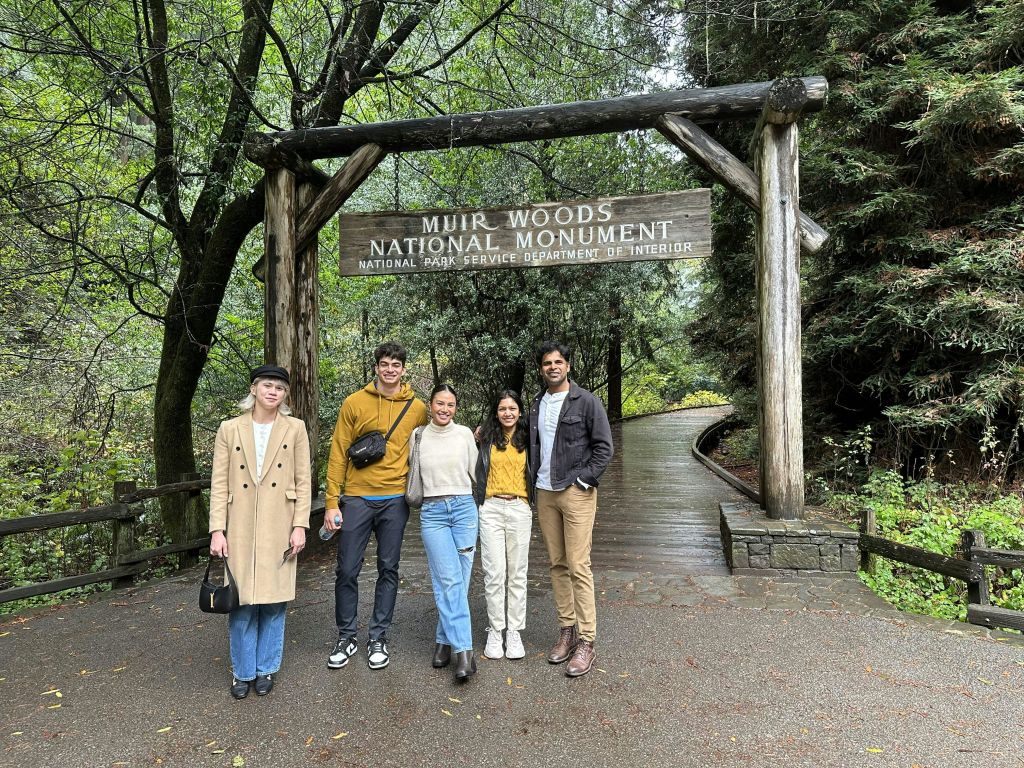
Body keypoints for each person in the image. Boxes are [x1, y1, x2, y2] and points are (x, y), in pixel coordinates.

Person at [322, 342, 428, 670]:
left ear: (404, 369)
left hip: (395, 499)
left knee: (388, 568)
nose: (390, 370)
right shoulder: (354, 403)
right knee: (347, 569)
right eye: (385, 364)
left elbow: (429, 444)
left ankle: (378, 636)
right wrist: (331, 502)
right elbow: (338, 452)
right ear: (377, 367)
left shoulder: (417, 408)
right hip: (356, 497)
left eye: (396, 364)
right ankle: (346, 636)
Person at [209, 364, 311, 699]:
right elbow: (219, 483)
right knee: (240, 602)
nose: (273, 392)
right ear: (254, 388)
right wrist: (217, 530)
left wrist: (300, 526)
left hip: (279, 523)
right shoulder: (230, 429)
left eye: (279, 388)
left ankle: (266, 668)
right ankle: (242, 672)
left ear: (285, 395)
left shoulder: (295, 428)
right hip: (238, 525)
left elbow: (303, 481)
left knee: (273, 603)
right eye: (267, 386)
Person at [529, 341, 613, 678]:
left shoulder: (587, 401)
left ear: (567, 366)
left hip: (575, 492)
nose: (552, 367)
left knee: (579, 565)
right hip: (544, 492)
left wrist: (584, 480)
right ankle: (567, 631)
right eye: (547, 363)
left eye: (558, 361)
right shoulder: (536, 404)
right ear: (541, 369)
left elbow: (604, 447)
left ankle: (587, 641)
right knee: (558, 564)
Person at [411, 383, 480, 680]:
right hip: (433, 513)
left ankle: (443, 640)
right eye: (440, 403)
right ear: (430, 404)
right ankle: (465, 652)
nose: (445, 409)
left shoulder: (464, 434)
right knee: (448, 579)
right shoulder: (418, 436)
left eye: (450, 405)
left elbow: (478, 473)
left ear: (456, 408)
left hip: (464, 510)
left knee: (457, 581)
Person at [473, 390, 534, 660]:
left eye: (512, 408)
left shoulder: (530, 437)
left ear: (519, 411)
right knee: (494, 573)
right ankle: (496, 630)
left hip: (520, 507)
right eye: (502, 409)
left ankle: (515, 631)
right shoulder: (485, 437)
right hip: (491, 508)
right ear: (495, 412)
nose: (507, 413)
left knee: (518, 573)